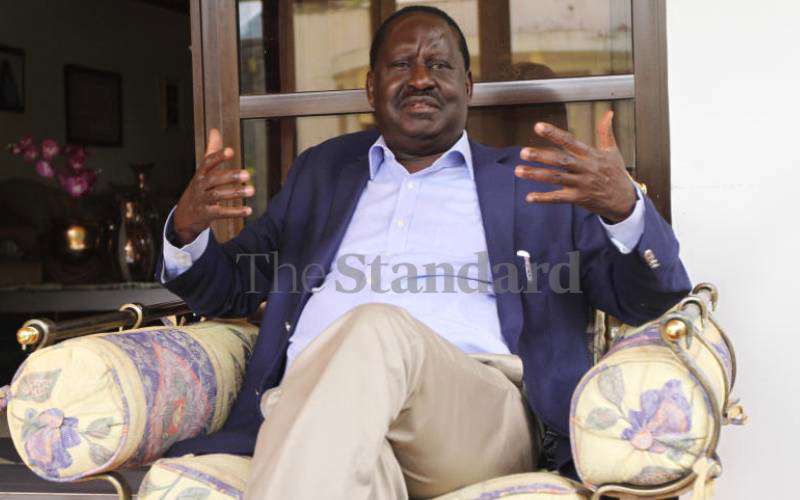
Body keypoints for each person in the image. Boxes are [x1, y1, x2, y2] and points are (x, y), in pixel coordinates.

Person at [159, 6, 691, 499]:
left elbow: (648, 299)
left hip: (475, 416)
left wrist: (625, 210)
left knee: (375, 326)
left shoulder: (534, 183)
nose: (420, 78)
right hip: (317, 407)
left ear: (467, 86)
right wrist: (186, 229)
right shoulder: (322, 172)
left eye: (439, 64)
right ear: (371, 87)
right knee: (348, 463)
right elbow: (231, 287)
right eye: (401, 65)